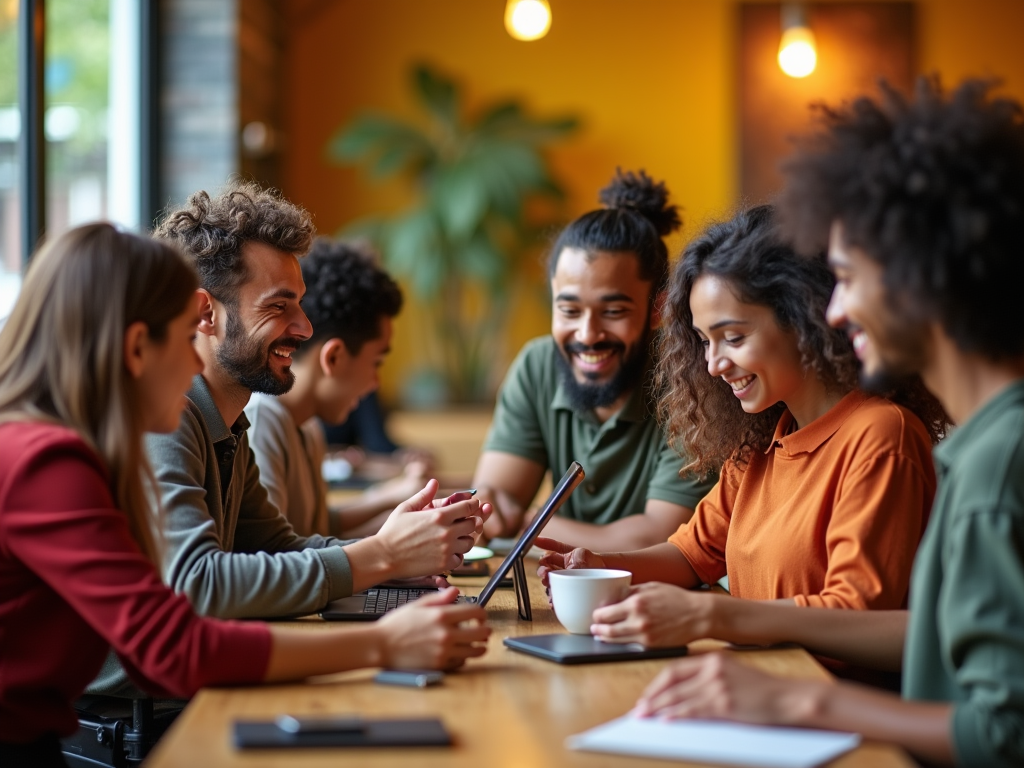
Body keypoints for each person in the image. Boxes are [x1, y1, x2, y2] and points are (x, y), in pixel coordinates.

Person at [622, 78, 1024, 768]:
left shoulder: (991, 466)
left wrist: (795, 699)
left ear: (916, 275)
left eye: (848, 277)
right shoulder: (981, 450)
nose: (834, 312)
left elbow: (1003, 735)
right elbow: (928, 639)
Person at [0, 224, 489, 768]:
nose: (193, 366)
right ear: (139, 347)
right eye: (183, 338)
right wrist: (384, 641)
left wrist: (391, 564)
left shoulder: (69, 449)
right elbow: (176, 641)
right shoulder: (49, 463)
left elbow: (268, 549)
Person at [89, 181, 486, 698]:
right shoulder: (168, 418)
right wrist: (381, 556)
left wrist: (399, 556)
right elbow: (198, 585)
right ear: (206, 314)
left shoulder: (229, 423)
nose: (304, 326)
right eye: (280, 307)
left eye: (299, 303)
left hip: (190, 692)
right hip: (142, 718)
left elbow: (280, 546)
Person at [538, 205, 946, 638]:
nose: (713, 365)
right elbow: (690, 555)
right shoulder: (763, 441)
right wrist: (602, 567)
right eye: (703, 341)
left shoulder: (880, 436)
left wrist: (712, 618)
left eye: (733, 338)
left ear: (804, 319)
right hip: (758, 683)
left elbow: (856, 611)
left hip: (828, 695)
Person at [474, 169, 715, 551]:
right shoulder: (538, 366)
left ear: (658, 307)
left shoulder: (691, 378)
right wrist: (498, 512)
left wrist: (525, 525)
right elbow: (496, 505)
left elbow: (659, 537)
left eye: (613, 311)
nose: (587, 335)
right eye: (569, 311)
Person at [245, 238, 428, 538]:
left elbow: (318, 530)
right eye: (376, 362)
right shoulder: (261, 422)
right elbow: (276, 556)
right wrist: (391, 549)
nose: (375, 383)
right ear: (334, 357)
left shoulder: (306, 427)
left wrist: (403, 510)